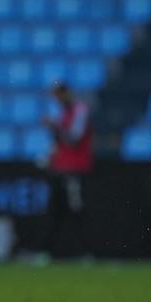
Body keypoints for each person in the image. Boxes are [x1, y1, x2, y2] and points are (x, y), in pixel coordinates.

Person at [40, 81, 94, 260]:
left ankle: (85, 252)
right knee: (56, 211)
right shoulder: (63, 113)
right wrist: (50, 157)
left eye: (59, 94)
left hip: (75, 169)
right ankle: (48, 253)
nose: (58, 98)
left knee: (76, 210)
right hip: (60, 169)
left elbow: (74, 139)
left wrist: (54, 126)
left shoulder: (79, 110)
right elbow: (62, 142)